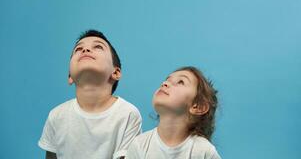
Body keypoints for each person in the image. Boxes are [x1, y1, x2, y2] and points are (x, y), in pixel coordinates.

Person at [38, 29, 142, 159]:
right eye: (78, 49)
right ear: (70, 76)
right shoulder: (56, 116)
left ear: (115, 72)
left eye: (98, 46)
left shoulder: (127, 114)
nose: (85, 50)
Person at [126, 66, 221, 159]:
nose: (165, 83)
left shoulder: (203, 151)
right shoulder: (139, 145)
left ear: (198, 106)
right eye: (167, 80)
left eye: (181, 82)